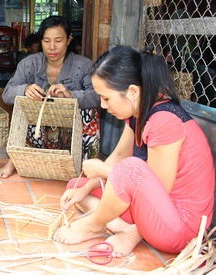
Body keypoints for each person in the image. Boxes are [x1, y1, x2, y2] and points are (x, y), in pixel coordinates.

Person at [53, 46, 214, 257]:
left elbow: (157, 186)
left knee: (130, 169)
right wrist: (88, 186)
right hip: (155, 211)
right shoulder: (139, 113)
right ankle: (123, 228)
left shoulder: (164, 120)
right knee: (77, 187)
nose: (102, 105)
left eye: (106, 98)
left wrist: (102, 170)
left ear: (132, 92)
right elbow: (119, 155)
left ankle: (95, 225)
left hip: (180, 227)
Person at [0, 15, 101, 178]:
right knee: (21, 107)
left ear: (69, 39)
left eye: (58, 40)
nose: (52, 47)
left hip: (71, 138)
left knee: (90, 112)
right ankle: (14, 161)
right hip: (38, 135)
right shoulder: (29, 64)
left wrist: (71, 96)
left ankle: (88, 168)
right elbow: (6, 94)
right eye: (46, 41)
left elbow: (98, 97)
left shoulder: (83, 65)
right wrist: (25, 89)